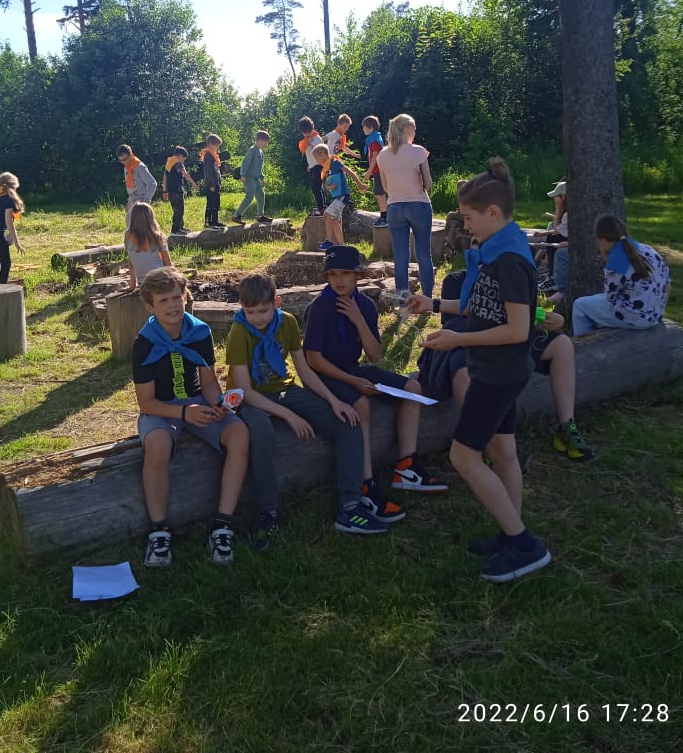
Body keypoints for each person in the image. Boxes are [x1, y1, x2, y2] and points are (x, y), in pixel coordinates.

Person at [411, 158, 551, 583]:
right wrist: (434, 305)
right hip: (498, 369)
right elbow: (478, 307)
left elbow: (518, 329)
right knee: (503, 451)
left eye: (469, 218)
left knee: (463, 455)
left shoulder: (509, 259)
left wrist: (458, 340)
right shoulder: (495, 249)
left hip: (498, 374)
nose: (466, 226)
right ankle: (511, 533)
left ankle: (524, 544)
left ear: (492, 213)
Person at [225, 272, 387, 536]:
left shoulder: (287, 322)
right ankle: (268, 511)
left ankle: (350, 505)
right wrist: (289, 415)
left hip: (284, 389)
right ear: (241, 307)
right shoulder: (239, 331)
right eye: (250, 312)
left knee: (347, 422)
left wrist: (333, 401)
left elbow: (304, 369)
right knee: (262, 433)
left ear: (277, 303)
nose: (257, 318)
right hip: (251, 398)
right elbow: (244, 391)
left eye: (263, 311)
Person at [304, 245, 449, 524]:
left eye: (345, 273)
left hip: (354, 368)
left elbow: (375, 354)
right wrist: (354, 381)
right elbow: (313, 360)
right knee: (362, 405)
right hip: (325, 376)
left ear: (358, 276)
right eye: (333, 274)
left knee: (413, 389)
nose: (339, 280)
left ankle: (407, 466)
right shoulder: (320, 307)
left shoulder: (366, 306)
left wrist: (359, 320)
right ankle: (366, 484)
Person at [132, 267, 253, 566]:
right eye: (163, 300)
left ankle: (222, 525)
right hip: (162, 409)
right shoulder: (144, 343)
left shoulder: (200, 332)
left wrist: (218, 404)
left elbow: (208, 383)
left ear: (186, 297)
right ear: (150, 306)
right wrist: (185, 412)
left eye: (177, 297)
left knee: (239, 433)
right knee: (158, 444)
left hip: (197, 401)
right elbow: (146, 403)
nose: (173, 305)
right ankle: (159, 532)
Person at [410, 269, 594, 461]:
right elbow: (461, 322)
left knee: (562, 344)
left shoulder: (510, 273)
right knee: (465, 374)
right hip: (468, 341)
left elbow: (521, 318)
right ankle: (483, 444)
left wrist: (549, 319)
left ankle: (566, 427)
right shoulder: (457, 280)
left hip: (509, 340)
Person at [572, 214, 671, 337]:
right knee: (595, 304)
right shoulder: (648, 250)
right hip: (656, 313)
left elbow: (611, 297)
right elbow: (668, 283)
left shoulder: (616, 262)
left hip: (637, 318)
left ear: (602, 240)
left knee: (580, 305)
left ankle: (584, 345)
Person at [376, 113, 435, 297]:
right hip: (419, 205)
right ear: (407, 129)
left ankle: (403, 301)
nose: (415, 132)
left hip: (394, 206)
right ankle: (427, 298)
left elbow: (386, 187)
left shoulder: (382, 155)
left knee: (400, 256)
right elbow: (428, 183)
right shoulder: (418, 151)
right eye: (414, 128)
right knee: (423, 253)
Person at [311, 143, 365, 251]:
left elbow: (349, 172)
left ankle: (329, 241)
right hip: (336, 197)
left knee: (327, 214)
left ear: (322, 154)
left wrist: (359, 184)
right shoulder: (326, 169)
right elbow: (326, 186)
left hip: (343, 196)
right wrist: (329, 187)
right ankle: (341, 245)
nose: (316, 161)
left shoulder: (335, 163)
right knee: (334, 220)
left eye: (317, 158)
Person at [124, 202, 172, 292]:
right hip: (161, 280)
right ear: (151, 218)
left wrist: (132, 286)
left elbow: (131, 262)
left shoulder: (127, 235)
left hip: (143, 283)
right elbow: (168, 264)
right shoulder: (158, 236)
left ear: (132, 218)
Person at [232, 130, 272, 224]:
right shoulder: (252, 150)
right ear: (260, 140)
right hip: (249, 178)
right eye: (265, 142)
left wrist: (262, 178)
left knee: (261, 195)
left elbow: (259, 167)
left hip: (256, 178)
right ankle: (237, 216)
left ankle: (260, 216)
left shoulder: (260, 152)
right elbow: (245, 163)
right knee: (250, 195)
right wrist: (243, 175)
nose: (266, 145)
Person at [117, 144, 157, 224]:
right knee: (129, 226)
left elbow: (152, 184)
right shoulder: (126, 168)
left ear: (131, 155)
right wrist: (129, 202)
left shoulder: (139, 166)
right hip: (131, 201)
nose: (124, 162)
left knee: (142, 228)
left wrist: (145, 202)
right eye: (121, 161)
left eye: (125, 159)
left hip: (141, 201)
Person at [161, 147, 198, 235]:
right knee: (179, 210)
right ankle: (175, 230)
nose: (183, 161)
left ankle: (180, 227)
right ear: (180, 156)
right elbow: (186, 175)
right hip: (177, 190)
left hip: (170, 191)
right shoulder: (178, 163)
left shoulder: (169, 162)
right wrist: (194, 184)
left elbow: (165, 177)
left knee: (177, 210)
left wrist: (164, 191)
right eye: (184, 159)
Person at [361, 115, 388, 227]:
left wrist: (369, 172)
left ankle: (385, 217)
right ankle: (385, 216)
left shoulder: (374, 141)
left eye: (364, 127)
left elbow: (375, 156)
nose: (363, 129)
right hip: (378, 170)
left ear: (371, 127)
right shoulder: (374, 138)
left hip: (379, 170)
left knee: (379, 193)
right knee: (379, 193)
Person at [297, 116, 326, 214]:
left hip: (319, 165)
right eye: (304, 132)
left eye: (307, 131)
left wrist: (323, 165)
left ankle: (321, 208)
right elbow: (310, 155)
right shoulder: (306, 140)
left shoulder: (316, 139)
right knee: (316, 187)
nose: (306, 133)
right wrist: (310, 165)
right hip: (313, 166)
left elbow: (323, 152)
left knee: (316, 187)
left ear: (311, 129)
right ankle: (322, 207)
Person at [200, 134, 225, 229]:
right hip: (211, 184)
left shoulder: (213, 155)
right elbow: (208, 171)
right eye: (217, 145)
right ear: (211, 144)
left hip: (216, 183)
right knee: (211, 203)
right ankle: (208, 223)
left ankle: (215, 221)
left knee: (216, 203)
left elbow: (216, 170)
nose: (218, 147)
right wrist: (211, 184)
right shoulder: (208, 156)